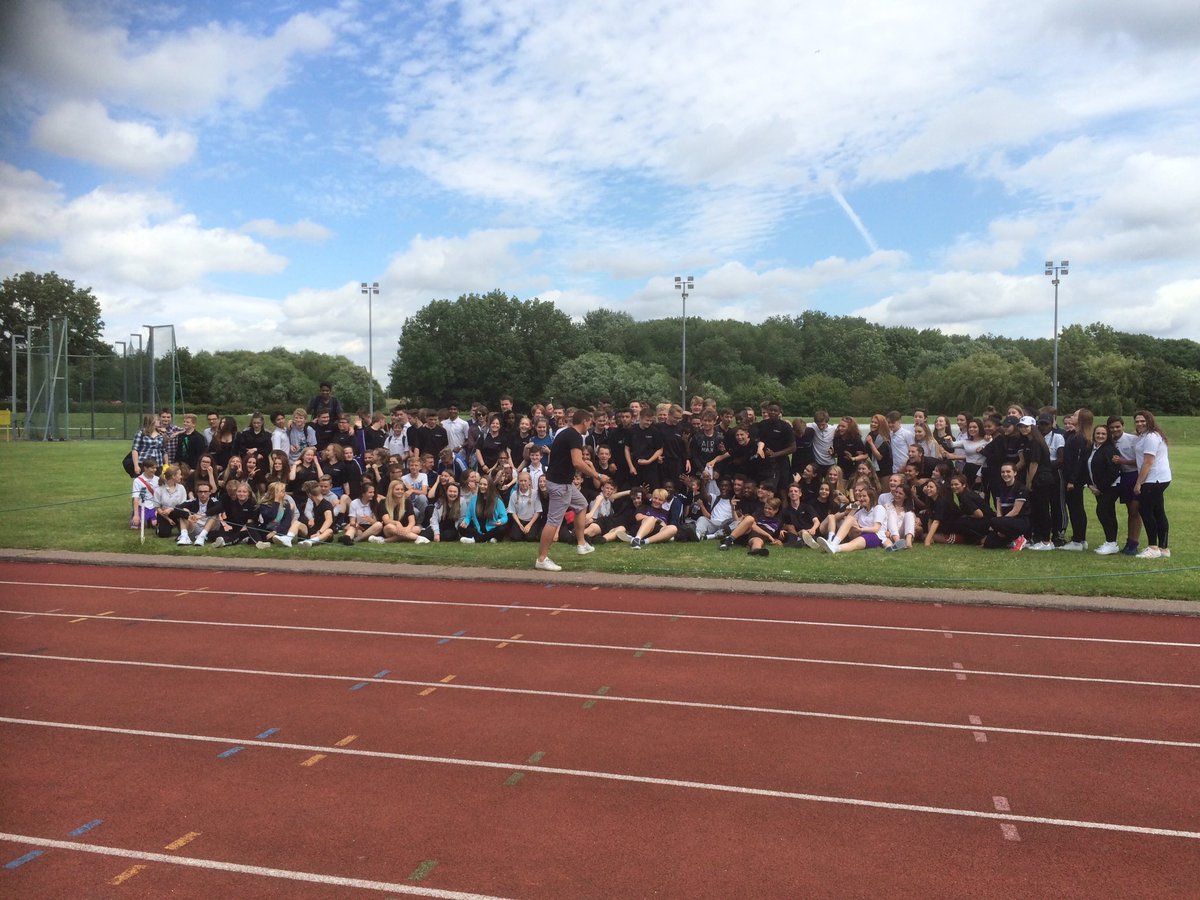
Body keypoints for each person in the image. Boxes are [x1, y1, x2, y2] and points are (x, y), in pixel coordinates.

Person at [535, 408, 606, 571]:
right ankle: (542, 559)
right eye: (590, 422)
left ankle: (581, 544)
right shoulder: (575, 436)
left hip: (563, 482)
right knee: (553, 521)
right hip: (560, 485)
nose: (590, 425)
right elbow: (577, 462)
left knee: (581, 504)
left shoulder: (565, 433)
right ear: (584, 421)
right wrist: (598, 476)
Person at [1132, 410, 1171, 559]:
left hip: (1154, 479)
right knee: (1158, 511)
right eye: (1137, 421)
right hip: (1159, 478)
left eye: (1143, 421)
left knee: (1146, 511)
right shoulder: (1146, 436)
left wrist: (1138, 483)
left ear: (1150, 421)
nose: (1140, 423)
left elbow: (1148, 462)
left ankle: (1153, 547)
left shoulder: (1151, 437)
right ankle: (1164, 548)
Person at [815, 482, 889, 554]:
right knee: (850, 519)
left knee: (854, 544)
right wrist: (855, 507)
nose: (861, 498)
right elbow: (848, 520)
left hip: (875, 535)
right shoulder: (861, 511)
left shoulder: (878, 508)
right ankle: (833, 542)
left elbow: (876, 529)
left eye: (864, 496)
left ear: (871, 497)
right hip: (861, 533)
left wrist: (860, 529)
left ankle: (834, 548)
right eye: (860, 496)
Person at [1108, 415, 1143, 556]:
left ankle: (1134, 543)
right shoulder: (1109, 441)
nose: (1115, 429)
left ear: (1123, 426)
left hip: (1133, 475)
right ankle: (1127, 542)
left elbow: (1141, 460)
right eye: (1112, 427)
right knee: (1128, 510)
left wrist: (1122, 461)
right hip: (1119, 477)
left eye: (1118, 426)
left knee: (1134, 510)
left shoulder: (1133, 439)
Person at [1060, 408, 1093, 551]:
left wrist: (1072, 480)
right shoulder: (1074, 435)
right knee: (1077, 507)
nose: (1071, 417)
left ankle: (1078, 540)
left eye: (1074, 415)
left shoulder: (1079, 437)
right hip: (1073, 477)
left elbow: (1078, 461)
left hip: (1074, 479)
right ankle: (1081, 538)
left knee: (1075, 509)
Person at [1087, 423, 1122, 555]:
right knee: (1108, 512)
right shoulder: (1091, 448)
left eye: (1103, 434)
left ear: (1108, 436)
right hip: (1097, 487)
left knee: (1103, 511)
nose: (1100, 436)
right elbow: (1086, 467)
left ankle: (1111, 543)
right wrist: (1090, 485)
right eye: (1098, 433)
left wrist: (1100, 488)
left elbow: (1113, 471)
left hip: (1111, 487)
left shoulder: (1109, 450)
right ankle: (1111, 542)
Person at [175, 481, 222, 547]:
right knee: (184, 511)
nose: (203, 494)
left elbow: (220, 507)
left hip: (210, 530)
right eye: (200, 492)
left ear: (210, 492)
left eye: (205, 492)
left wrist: (203, 515)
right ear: (197, 493)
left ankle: (202, 537)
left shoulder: (214, 501)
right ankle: (184, 537)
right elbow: (177, 508)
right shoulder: (193, 501)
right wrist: (188, 516)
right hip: (196, 527)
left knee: (214, 515)